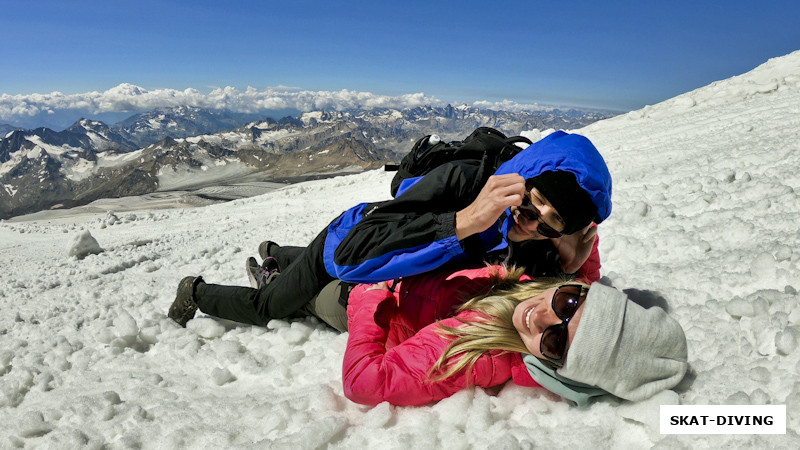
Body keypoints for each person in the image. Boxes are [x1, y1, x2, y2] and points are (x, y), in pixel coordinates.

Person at [168, 131, 613, 328]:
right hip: (344, 243)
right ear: (522, 178)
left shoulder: (533, 241)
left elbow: (549, 300)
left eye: (548, 224)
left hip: (375, 267)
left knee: (306, 272)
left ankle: (281, 253)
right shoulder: (464, 182)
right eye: (529, 204)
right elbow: (358, 248)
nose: (528, 223)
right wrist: (463, 222)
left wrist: (573, 267)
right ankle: (196, 291)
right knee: (271, 306)